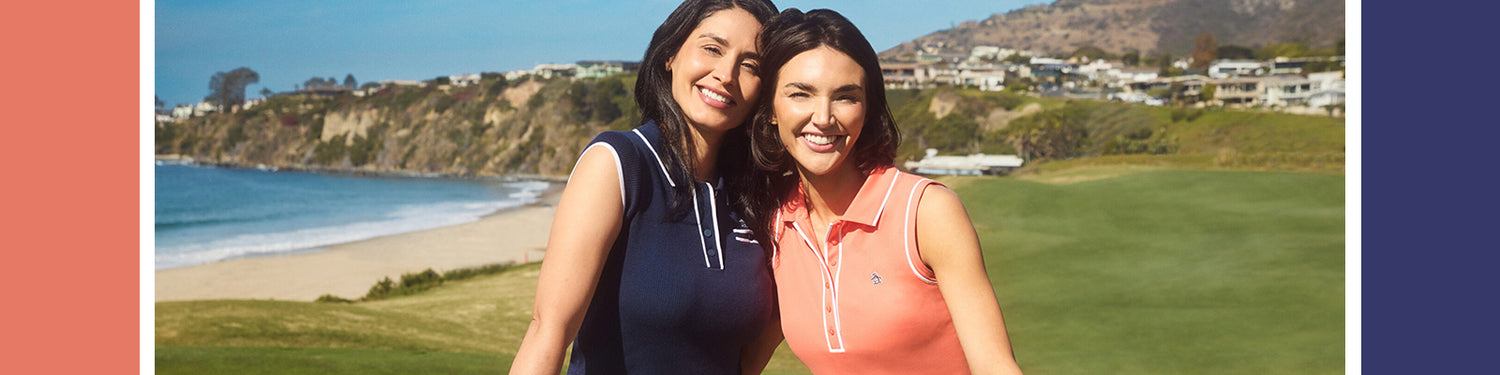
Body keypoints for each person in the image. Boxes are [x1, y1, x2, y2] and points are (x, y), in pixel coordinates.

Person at [731, 8, 1025, 375]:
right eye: (800, 94)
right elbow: (743, 364)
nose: (823, 117)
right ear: (771, 110)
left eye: (845, 97)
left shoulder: (925, 211)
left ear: (868, 110)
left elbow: (995, 366)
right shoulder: (775, 223)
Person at [508, 0, 782, 374]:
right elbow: (548, 332)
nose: (726, 74)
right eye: (712, 48)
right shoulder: (618, 163)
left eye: (750, 65)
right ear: (670, 54)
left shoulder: (757, 197)